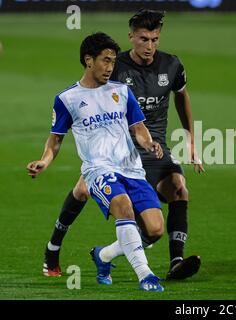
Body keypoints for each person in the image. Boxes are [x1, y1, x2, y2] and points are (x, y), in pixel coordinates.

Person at [42, 10, 203, 281]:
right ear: (131, 37)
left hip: (154, 146)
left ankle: (175, 260)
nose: (150, 46)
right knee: (82, 189)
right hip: (114, 149)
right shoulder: (114, 66)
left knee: (178, 188)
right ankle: (53, 248)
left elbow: (181, 96)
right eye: (144, 39)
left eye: (155, 39)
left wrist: (191, 139)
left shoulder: (172, 65)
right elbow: (88, 95)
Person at [27, 32, 165, 291]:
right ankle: (146, 276)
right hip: (98, 171)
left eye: (113, 62)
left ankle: (104, 255)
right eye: (105, 61)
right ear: (89, 61)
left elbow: (139, 128)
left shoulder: (122, 92)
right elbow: (55, 141)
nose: (110, 67)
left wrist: (148, 143)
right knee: (122, 207)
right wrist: (44, 161)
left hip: (132, 169)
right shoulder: (67, 99)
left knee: (155, 230)